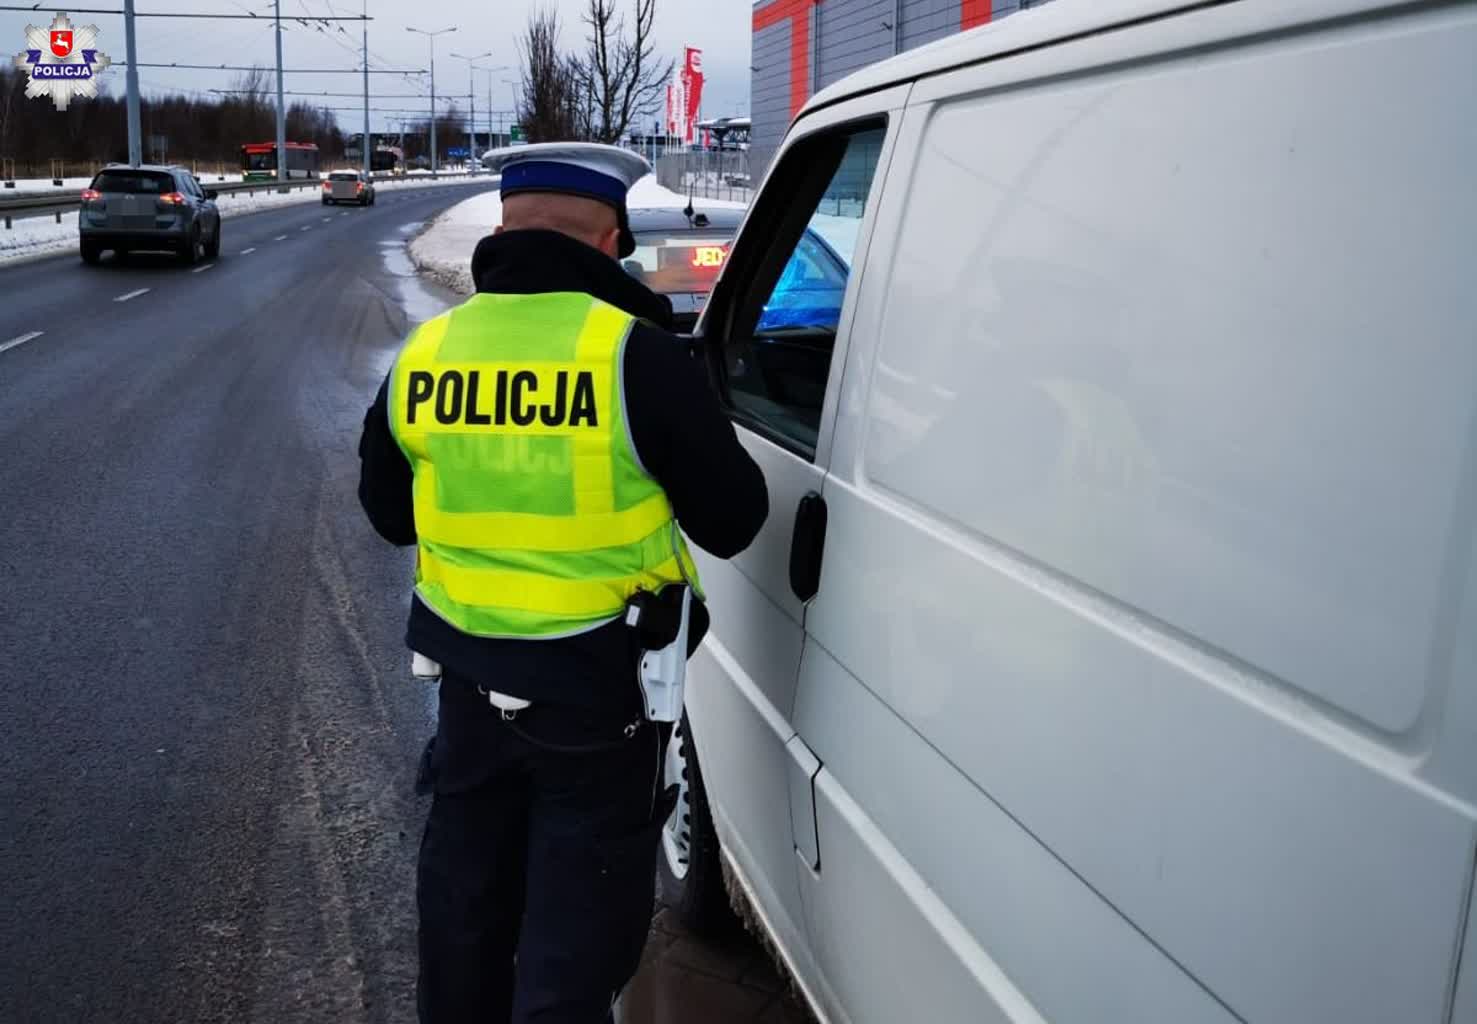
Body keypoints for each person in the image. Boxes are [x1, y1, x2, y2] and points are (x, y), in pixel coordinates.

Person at [356, 142, 768, 1024]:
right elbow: (734, 520)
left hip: (467, 693)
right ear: (612, 241)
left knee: (464, 909)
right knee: (575, 937)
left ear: (502, 231)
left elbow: (390, 516)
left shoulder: (427, 352)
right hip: (598, 698)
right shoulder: (635, 356)